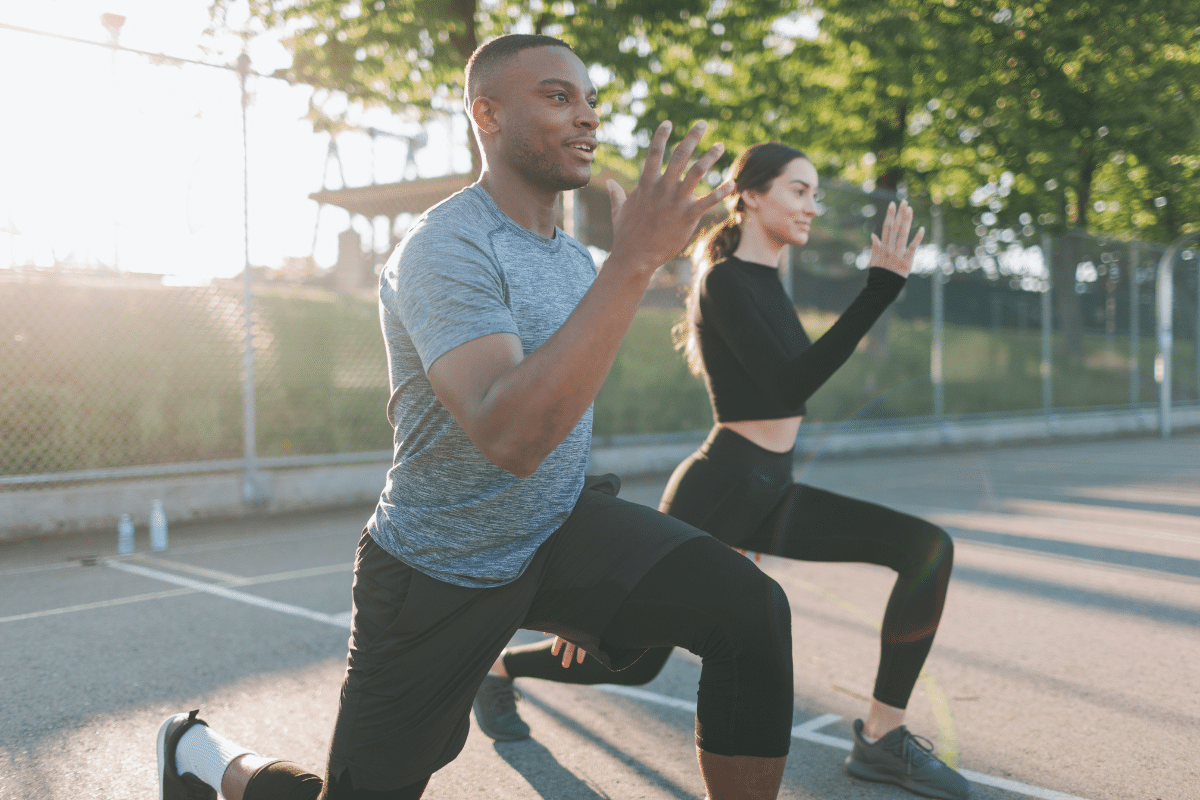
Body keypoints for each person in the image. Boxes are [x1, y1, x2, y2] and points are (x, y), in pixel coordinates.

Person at [156, 35, 798, 800]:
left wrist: (591, 582)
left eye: (591, 100)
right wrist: (634, 263)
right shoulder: (444, 247)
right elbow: (510, 436)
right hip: (439, 569)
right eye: (559, 97)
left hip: (556, 535)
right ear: (486, 113)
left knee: (750, 611)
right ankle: (202, 755)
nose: (587, 116)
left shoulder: (570, 260)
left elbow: (563, 416)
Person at [473, 143, 971, 800]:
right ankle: (500, 669)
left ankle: (881, 737)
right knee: (632, 662)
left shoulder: (767, 284)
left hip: (773, 489)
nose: (811, 207)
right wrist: (879, 289)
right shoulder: (725, 281)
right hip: (721, 489)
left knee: (926, 548)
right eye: (799, 190)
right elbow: (791, 384)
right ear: (752, 195)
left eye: (815, 193)